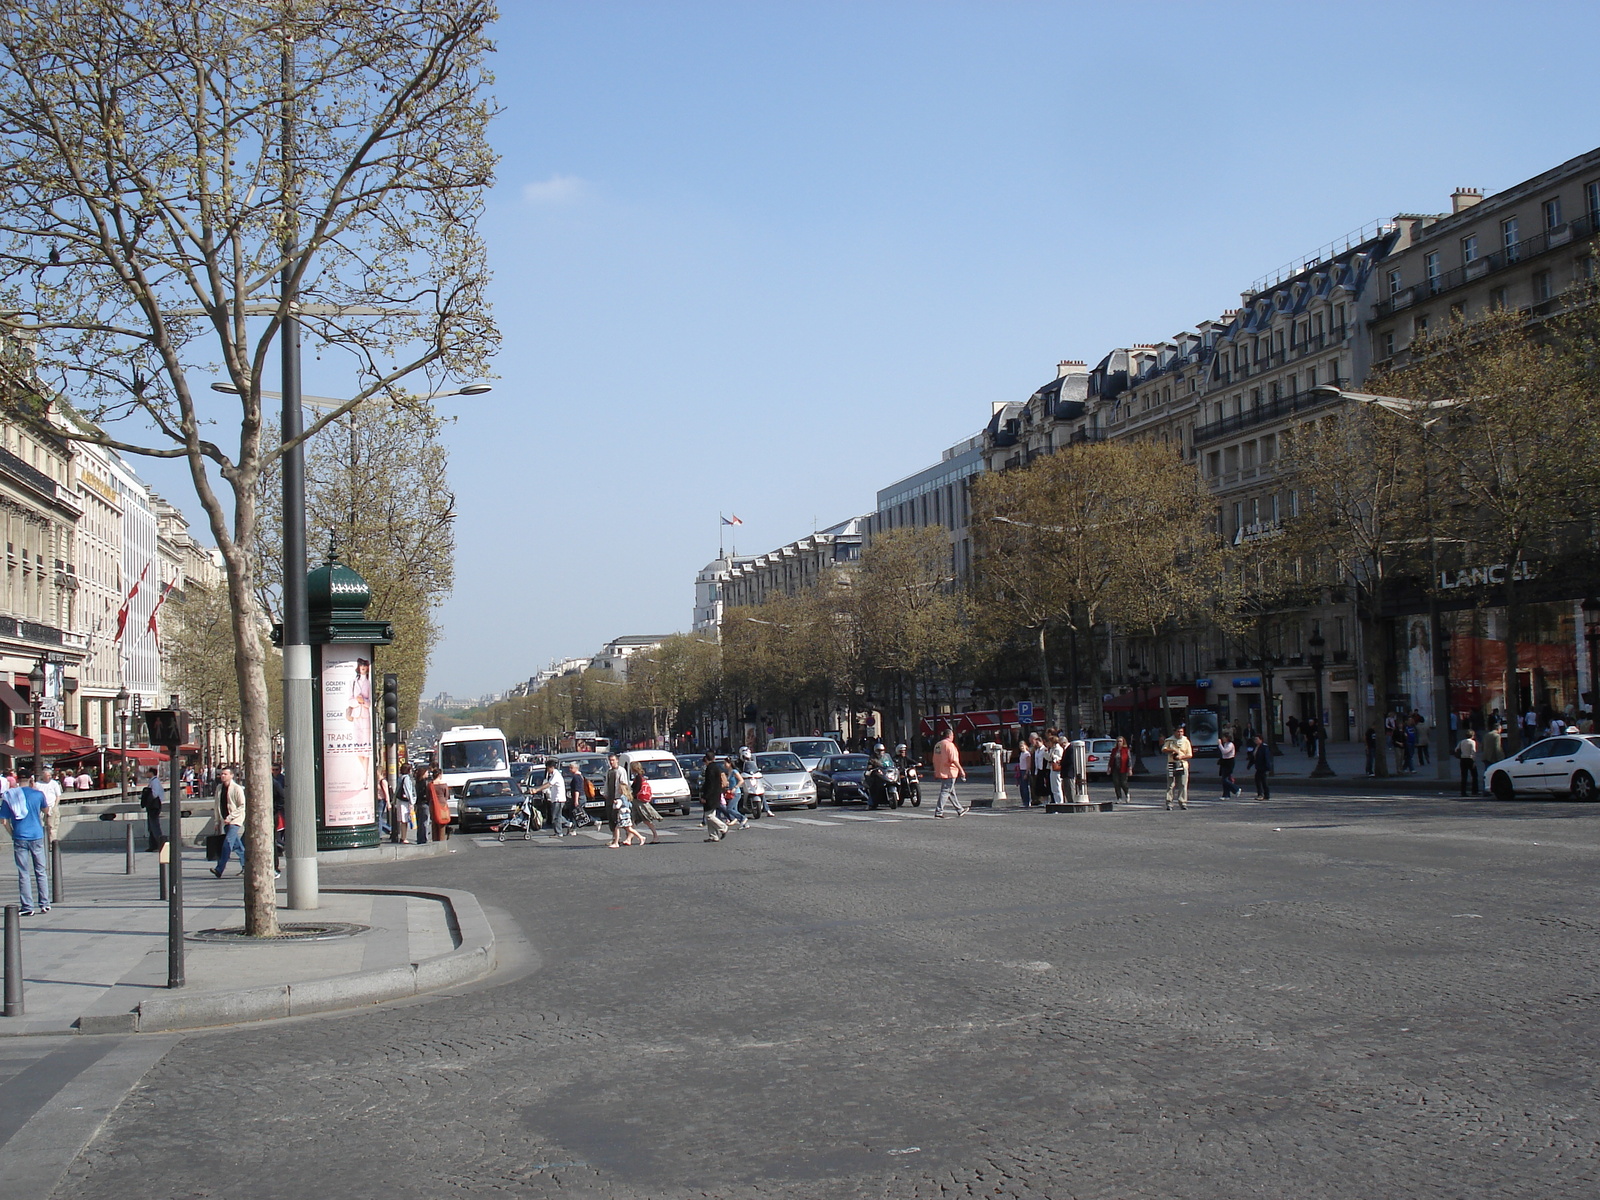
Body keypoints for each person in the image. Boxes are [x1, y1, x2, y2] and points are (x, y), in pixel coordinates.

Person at [3, 770, 50, 914]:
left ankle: (27, 906)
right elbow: (47, 810)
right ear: (31, 779)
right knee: (40, 871)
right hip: (36, 835)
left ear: (17, 780)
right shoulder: (38, 794)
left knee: (23, 872)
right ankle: (44, 903)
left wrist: (12, 833)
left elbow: (3, 821)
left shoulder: (10, 797)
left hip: (20, 836)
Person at [210, 765, 246, 878]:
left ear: (232, 775)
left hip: (235, 820)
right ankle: (246, 865)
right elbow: (217, 805)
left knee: (227, 844)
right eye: (221, 774)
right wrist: (217, 821)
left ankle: (219, 869)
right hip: (224, 821)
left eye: (225, 774)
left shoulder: (237, 788)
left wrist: (231, 817)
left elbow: (242, 805)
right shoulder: (219, 788)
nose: (223, 776)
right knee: (238, 846)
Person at [604, 754, 643, 848]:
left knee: (622, 820)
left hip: (619, 797)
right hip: (611, 797)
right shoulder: (609, 771)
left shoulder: (621, 770)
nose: (611, 762)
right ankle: (616, 838)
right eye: (610, 760)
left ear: (617, 760)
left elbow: (623, 783)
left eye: (613, 760)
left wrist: (622, 795)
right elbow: (606, 783)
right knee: (612, 818)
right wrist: (605, 793)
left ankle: (627, 837)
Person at [931, 725, 967, 818]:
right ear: (950, 735)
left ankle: (960, 809)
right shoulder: (950, 745)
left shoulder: (938, 745)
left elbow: (935, 759)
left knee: (951, 792)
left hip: (941, 770)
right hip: (949, 771)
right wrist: (961, 770)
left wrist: (936, 771)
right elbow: (954, 759)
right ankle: (939, 811)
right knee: (946, 791)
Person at [531, 763, 570, 838]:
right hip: (555, 798)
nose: (547, 770)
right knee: (557, 816)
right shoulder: (553, 775)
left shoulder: (556, 775)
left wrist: (537, 789)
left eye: (547, 769)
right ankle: (568, 824)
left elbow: (548, 784)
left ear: (551, 767)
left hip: (558, 799)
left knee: (555, 817)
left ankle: (559, 832)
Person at [1161, 724, 1193, 810]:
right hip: (1172, 764)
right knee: (1171, 785)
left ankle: (1183, 802)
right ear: (1175, 732)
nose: (1180, 733)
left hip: (1183, 764)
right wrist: (1172, 750)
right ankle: (1169, 802)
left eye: (1181, 731)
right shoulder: (1169, 740)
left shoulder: (1186, 741)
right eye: (1178, 731)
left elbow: (1190, 755)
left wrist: (1181, 757)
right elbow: (1163, 749)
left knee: (1183, 784)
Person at [629, 761, 661, 844]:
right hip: (637, 802)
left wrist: (631, 795)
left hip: (639, 802)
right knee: (631, 820)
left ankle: (655, 836)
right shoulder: (639, 777)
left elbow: (637, 789)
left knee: (646, 820)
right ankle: (629, 839)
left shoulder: (638, 778)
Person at [700, 752, 729, 841]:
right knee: (710, 816)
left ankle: (723, 827)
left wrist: (705, 796)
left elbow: (710, 784)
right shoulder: (717, 767)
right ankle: (713, 836)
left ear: (706, 760)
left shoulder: (710, 769)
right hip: (716, 794)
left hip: (711, 795)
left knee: (709, 816)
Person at [37, 764, 62, 847]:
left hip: (52, 807)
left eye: (50, 775)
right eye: (47, 775)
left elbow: (58, 796)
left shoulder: (54, 783)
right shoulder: (38, 784)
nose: (49, 777)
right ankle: (43, 843)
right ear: (43, 776)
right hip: (41, 808)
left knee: (52, 827)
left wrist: (55, 806)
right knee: (41, 826)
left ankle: (52, 844)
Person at [428, 767, 451, 841]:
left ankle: (435, 840)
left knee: (434, 823)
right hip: (442, 805)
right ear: (440, 775)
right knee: (442, 823)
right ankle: (441, 840)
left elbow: (428, 796)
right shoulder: (444, 785)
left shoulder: (430, 785)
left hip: (433, 805)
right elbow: (447, 796)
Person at [1108, 736, 1133, 803]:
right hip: (1115, 768)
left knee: (1123, 782)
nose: (1119, 743)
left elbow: (1129, 760)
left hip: (1123, 768)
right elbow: (1111, 759)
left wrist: (1130, 769)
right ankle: (1119, 798)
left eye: (1120, 741)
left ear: (1123, 742)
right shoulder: (1114, 750)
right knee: (1116, 783)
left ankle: (1127, 793)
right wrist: (1109, 768)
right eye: (1118, 741)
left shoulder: (1126, 750)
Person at [1455, 728, 1480, 796]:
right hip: (1470, 759)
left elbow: (1456, 749)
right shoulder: (1472, 742)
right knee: (1474, 775)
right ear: (1472, 735)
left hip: (1463, 759)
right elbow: (1473, 751)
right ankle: (1474, 791)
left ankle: (1463, 792)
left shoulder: (1461, 742)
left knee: (1464, 776)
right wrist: (1474, 760)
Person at [1247, 735, 1273, 800]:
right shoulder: (1256, 747)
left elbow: (1266, 757)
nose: (1255, 741)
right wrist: (1249, 765)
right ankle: (1261, 794)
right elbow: (1253, 757)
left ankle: (1265, 795)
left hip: (1263, 767)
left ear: (1261, 740)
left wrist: (1268, 767)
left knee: (1263, 781)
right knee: (1258, 780)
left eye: (1257, 739)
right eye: (1255, 739)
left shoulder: (1264, 747)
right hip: (1258, 767)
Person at [1217, 731, 1237, 798]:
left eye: (1224, 737)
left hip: (1229, 762)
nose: (1223, 738)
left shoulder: (1230, 744)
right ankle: (1226, 794)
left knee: (1225, 779)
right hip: (1224, 761)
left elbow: (1225, 751)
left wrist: (1220, 744)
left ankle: (1235, 789)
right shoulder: (1225, 744)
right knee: (1224, 778)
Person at [1015, 738, 1034, 808]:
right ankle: (1024, 801)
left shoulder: (1027, 754)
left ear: (1026, 746)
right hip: (1021, 770)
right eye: (1020, 746)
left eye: (1022, 746)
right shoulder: (1021, 754)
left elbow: (1028, 764)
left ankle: (1027, 802)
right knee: (1021, 787)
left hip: (1025, 771)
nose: (1021, 748)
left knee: (1025, 787)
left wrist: (1026, 773)